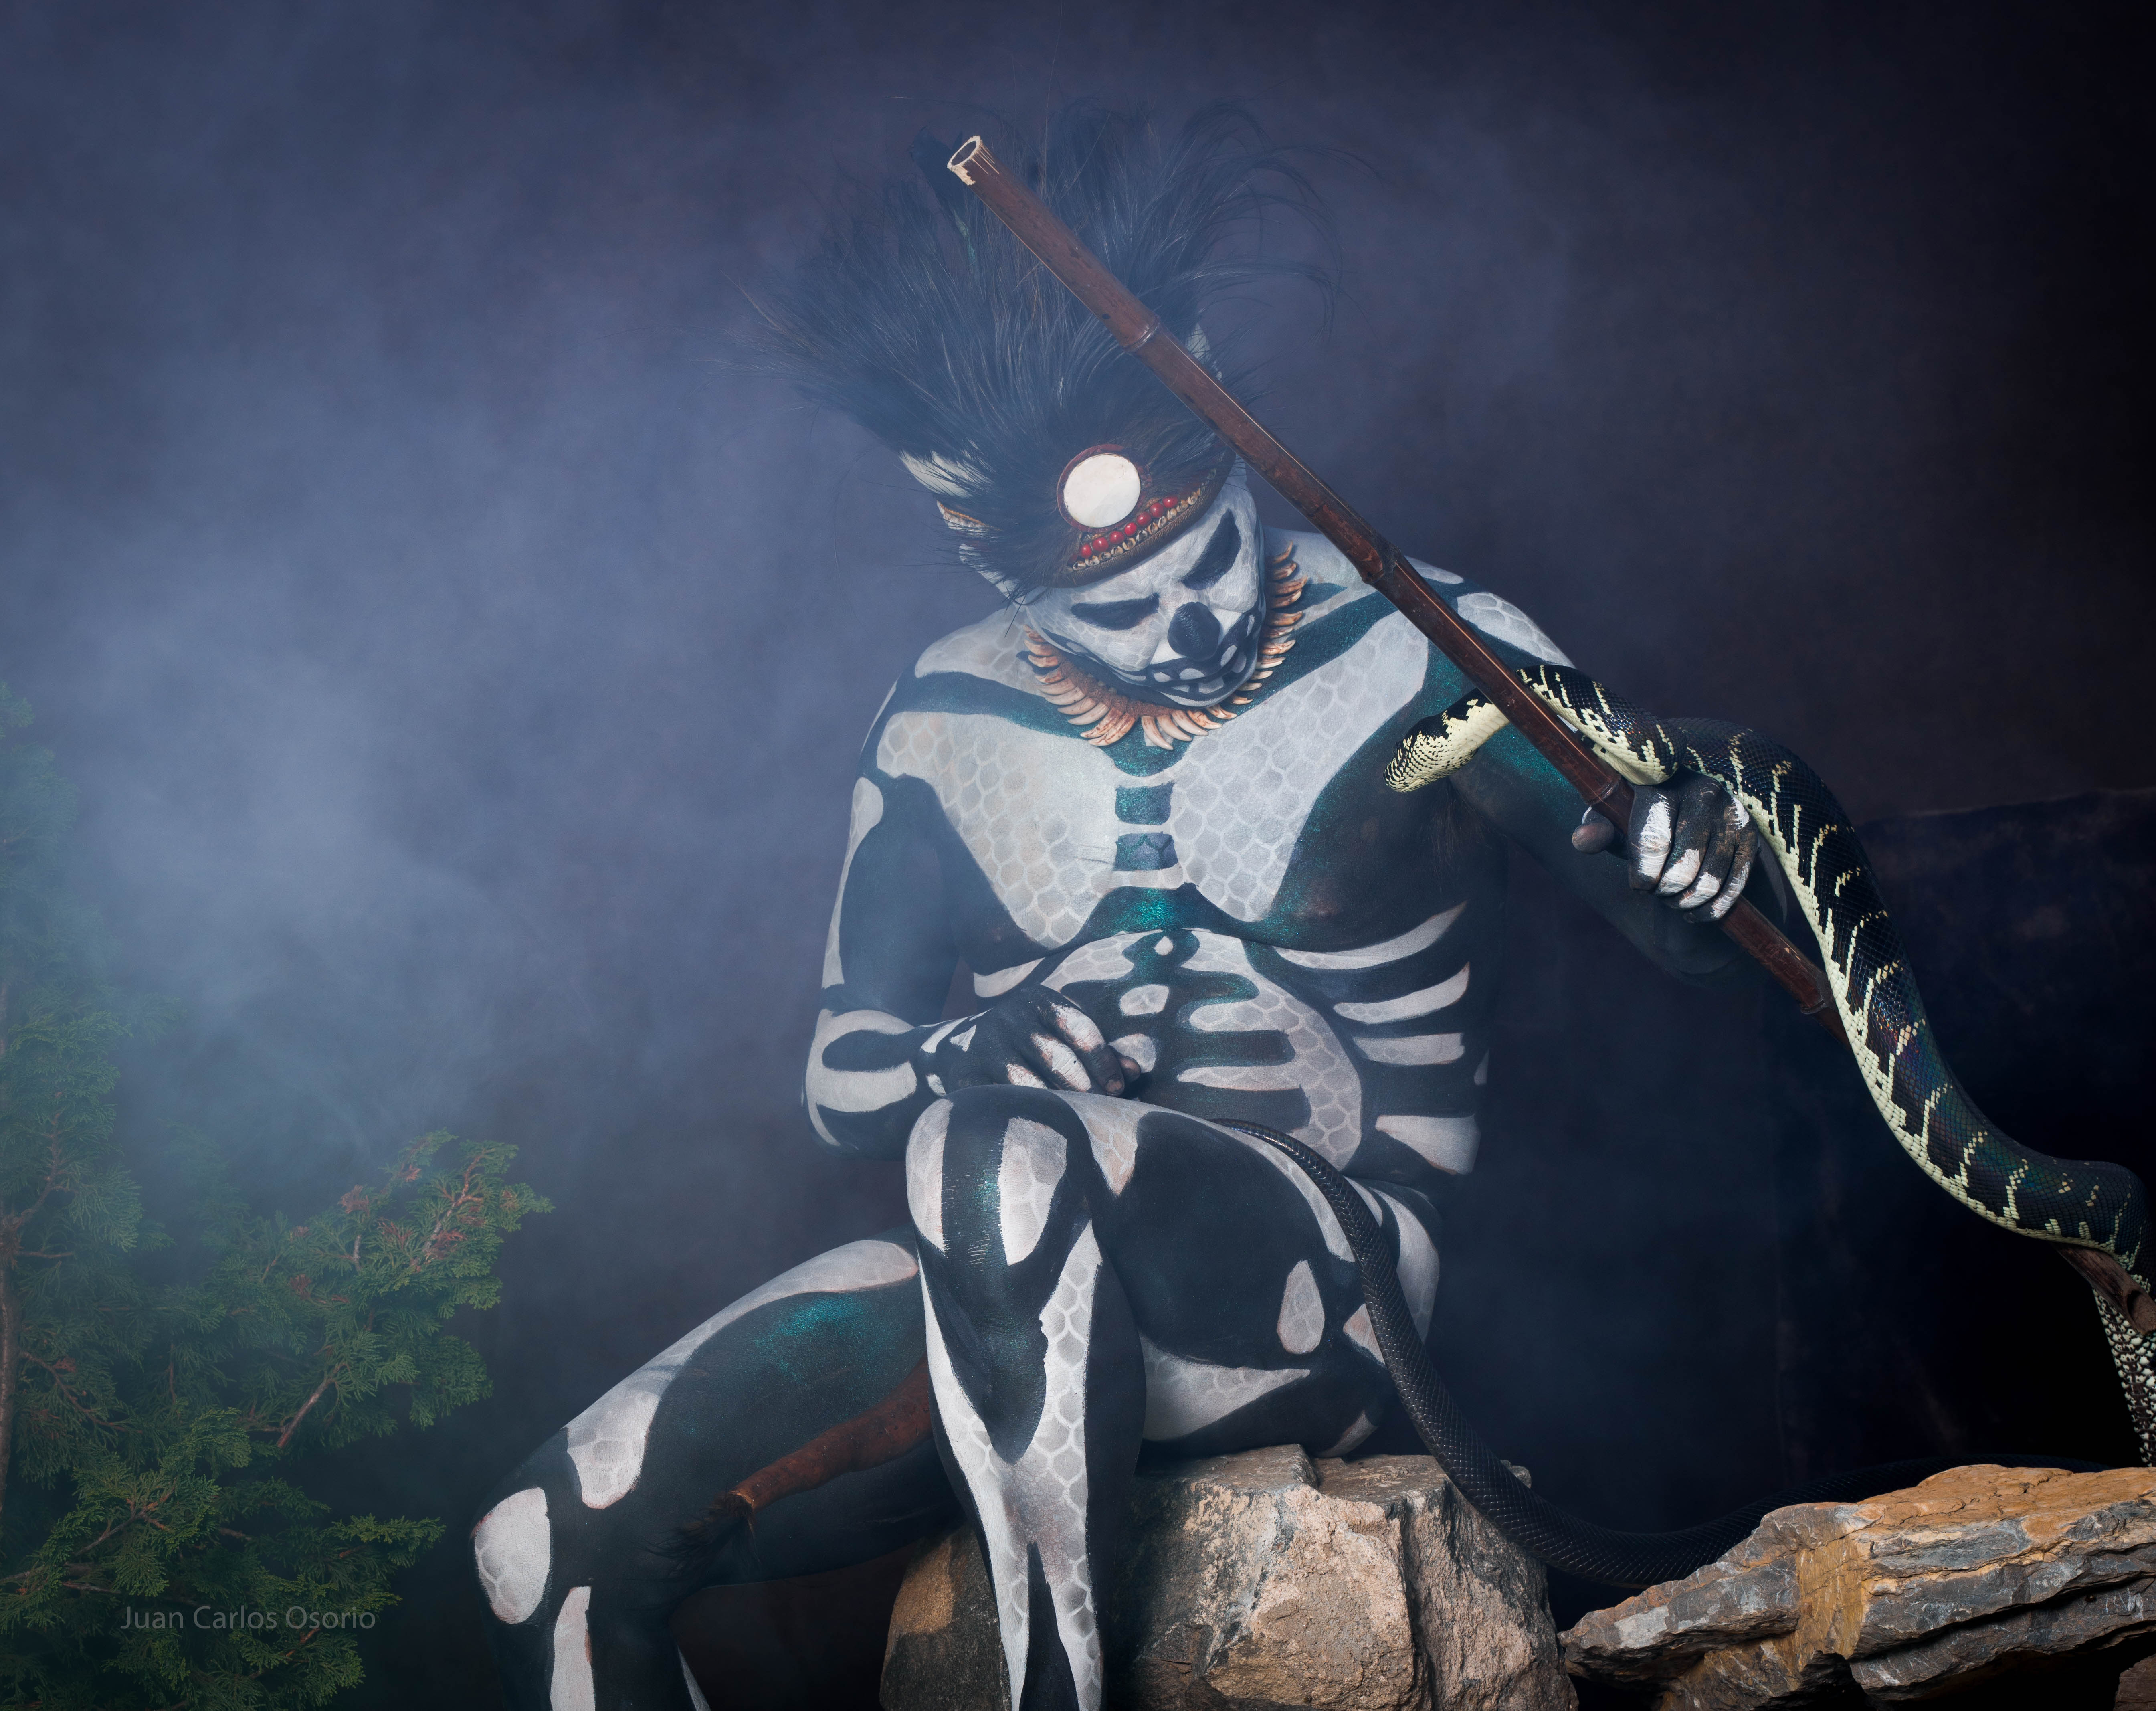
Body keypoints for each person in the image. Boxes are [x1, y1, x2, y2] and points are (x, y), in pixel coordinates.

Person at [471, 104, 1771, 1711]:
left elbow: (1676, 910)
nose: (1168, 633)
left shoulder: (1425, 646)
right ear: (988, 565)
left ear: (1223, 447)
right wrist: (988, 1035)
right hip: (1002, 1289)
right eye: (1106, 608)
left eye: (1196, 572)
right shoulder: (941, 719)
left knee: (987, 1150)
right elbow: (843, 1084)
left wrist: (1704, 848)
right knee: (540, 1546)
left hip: (1338, 1285)